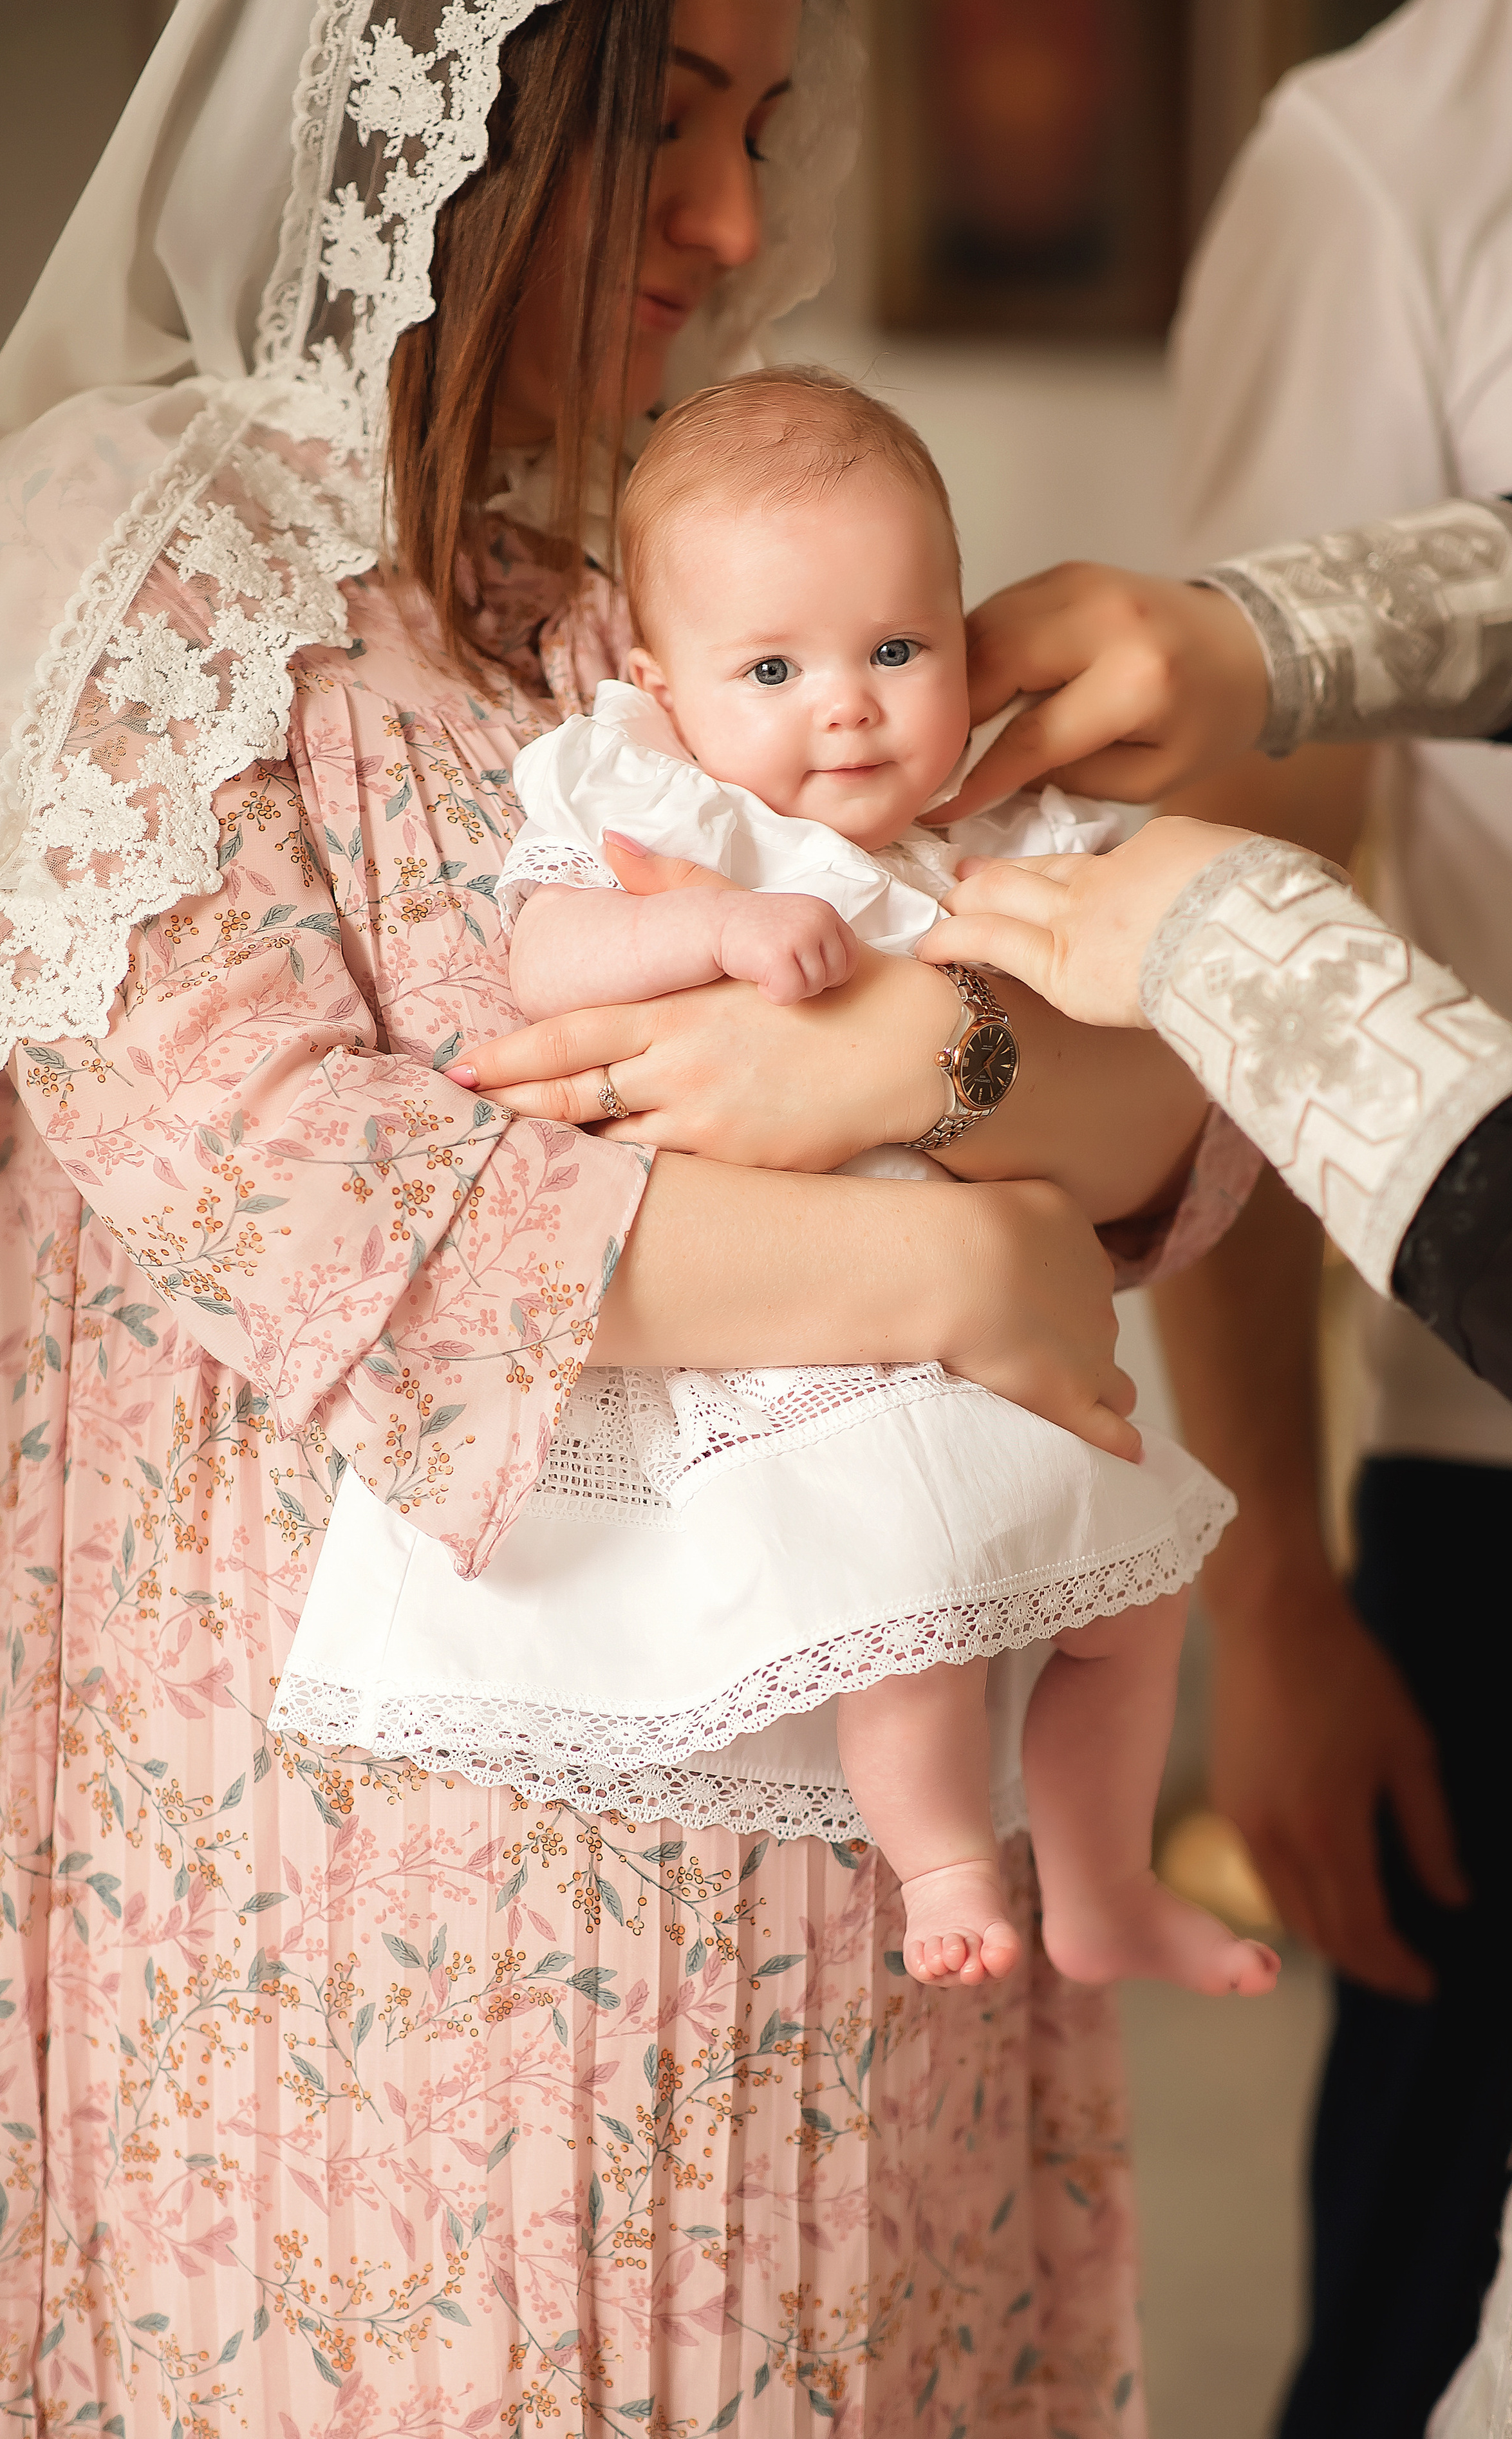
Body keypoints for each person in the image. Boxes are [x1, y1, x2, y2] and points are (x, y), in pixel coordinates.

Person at [0, 0, 1250, 2425]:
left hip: (856, 1877)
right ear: (427, 106)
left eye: (761, 131)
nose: (734, 220)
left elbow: (1167, 1118)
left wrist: (947, 1065)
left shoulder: (657, 577)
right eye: (658, 124)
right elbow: (304, 1197)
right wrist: (953, 1246)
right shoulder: (122, 550)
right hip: (376, 1939)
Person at [967, 0, 1512, 2425]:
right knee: (1437, 2270)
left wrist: (1246, 960)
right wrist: (1268, 634)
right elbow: (1253, 801)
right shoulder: (1398, 144)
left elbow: (1222, 941)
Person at [278, 364, 1273, 2001]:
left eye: (896, 650)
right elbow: (544, 954)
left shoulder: (996, 827)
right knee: (908, 1613)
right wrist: (717, 929)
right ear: (662, 689)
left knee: (1141, 1598)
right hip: (808, 1328)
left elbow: (1133, 1032)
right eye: (772, 669)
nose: (847, 708)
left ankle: (1101, 1891)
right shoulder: (665, 808)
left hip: (999, 1339)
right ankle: (944, 1865)